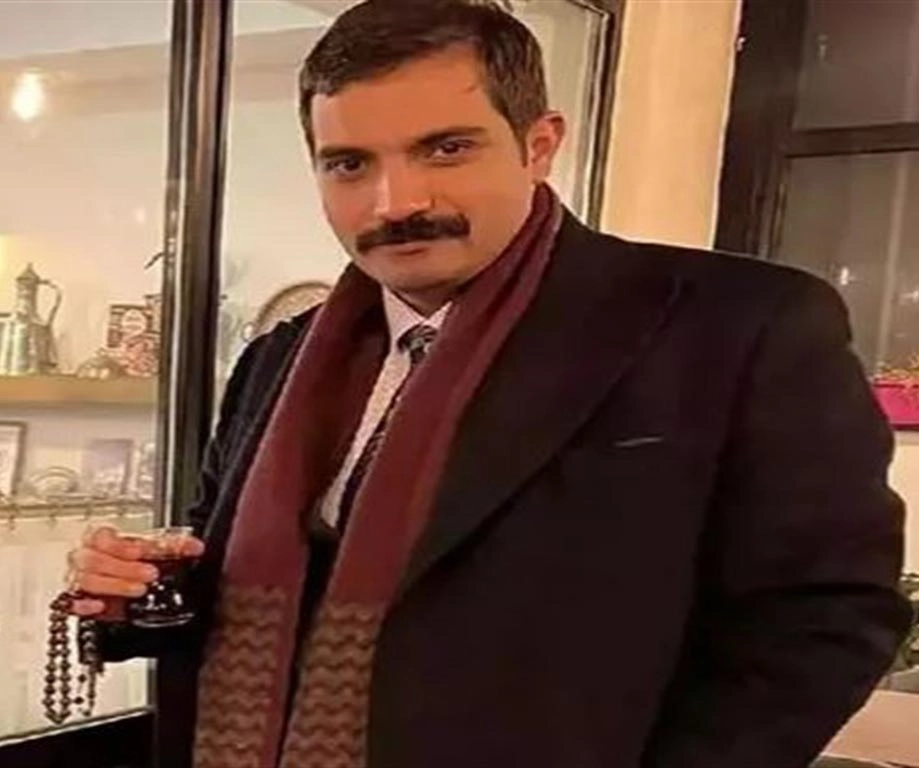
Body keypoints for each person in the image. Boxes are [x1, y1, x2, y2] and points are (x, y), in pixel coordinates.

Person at [65, 2, 911, 768]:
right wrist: (141, 592)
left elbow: (822, 613)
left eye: (445, 148)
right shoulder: (278, 360)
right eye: (349, 163)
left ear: (539, 144)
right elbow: (237, 586)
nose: (396, 201)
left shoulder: (734, 327)